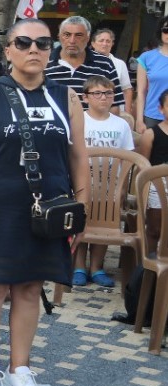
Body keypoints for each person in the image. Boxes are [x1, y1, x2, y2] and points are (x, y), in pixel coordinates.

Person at [0, 19, 87, 386]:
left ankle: (20, 371)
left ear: (51, 50)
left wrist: (81, 208)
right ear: (9, 50)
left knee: (31, 287)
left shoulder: (66, 97)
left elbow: (78, 155)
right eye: (24, 42)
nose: (34, 49)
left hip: (49, 208)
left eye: (43, 43)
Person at [72, 74, 136, 289]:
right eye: (97, 93)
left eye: (108, 93)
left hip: (110, 187)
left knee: (103, 226)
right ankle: (79, 266)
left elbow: (127, 158)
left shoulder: (121, 125)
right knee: (82, 223)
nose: (103, 97)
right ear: (85, 97)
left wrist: (123, 189)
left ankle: (97, 267)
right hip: (83, 184)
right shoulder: (78, 121)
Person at [45, 15, 122, 111]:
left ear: (88, 38)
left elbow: (114, 104)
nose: (72, 41)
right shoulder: (44, 62)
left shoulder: (105, 64)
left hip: (94, 121)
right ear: (59, 37)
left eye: (78, 35)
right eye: (67, 35)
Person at [91, 28, 134, 120]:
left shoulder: (120, 64)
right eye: (101, 40)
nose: (104, 44)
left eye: (108, 41)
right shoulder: (86, 63)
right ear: (93, 43)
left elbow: (127, 90)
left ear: (112, 44)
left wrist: (127, 113)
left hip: (115, 112)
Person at [137, 16, 168, 134]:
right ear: (160, 31)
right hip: (153, 115)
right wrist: (139, 119)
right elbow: (141, 92)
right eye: (166, 30)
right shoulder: (146, 57)